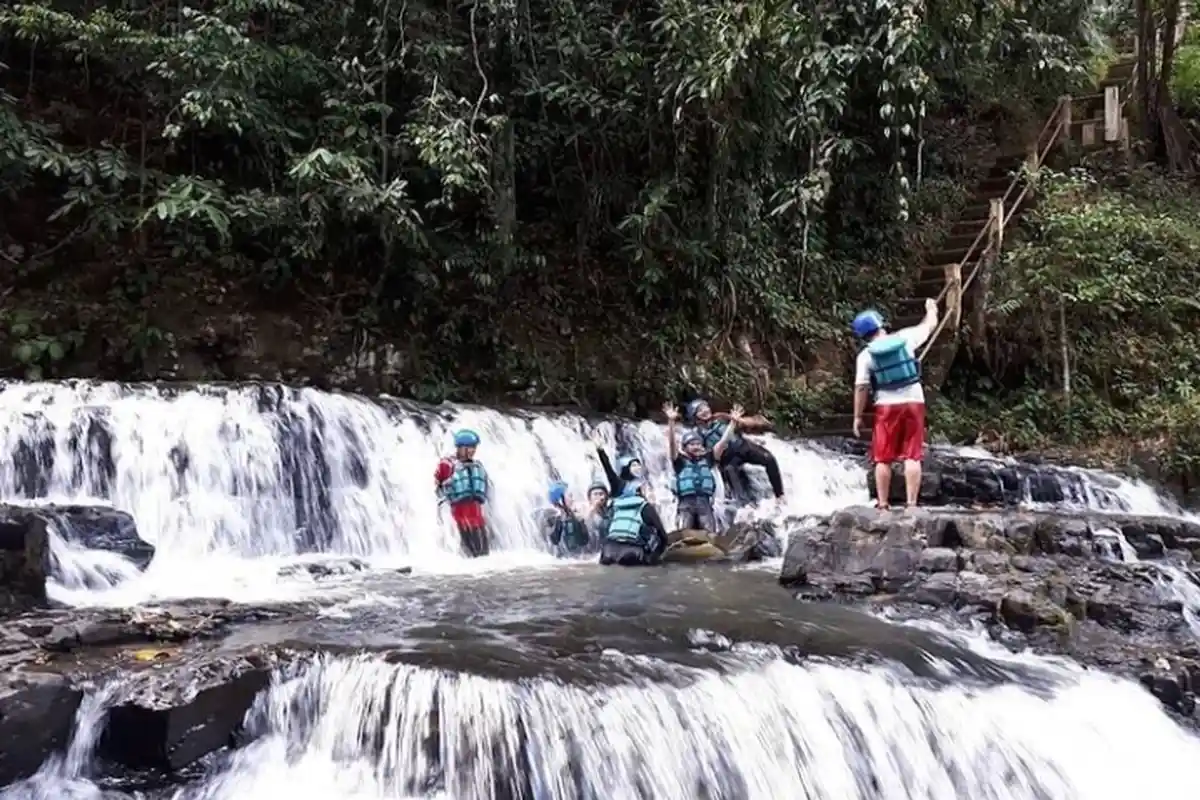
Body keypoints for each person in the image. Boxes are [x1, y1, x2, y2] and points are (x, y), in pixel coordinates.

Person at [851, 298, 939, 510]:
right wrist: (931, 309)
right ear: (881, 325)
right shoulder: (905, 338)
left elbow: (861, 388)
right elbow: (929, 325)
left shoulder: (865, 355)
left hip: (886, 405)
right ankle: (911, 503)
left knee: (883, 457)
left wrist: (857, 417)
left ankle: (882, 503)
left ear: (862, 335)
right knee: (912, 454)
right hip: (914, 401)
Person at [685, 398, 784, 506]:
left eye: (705, 407)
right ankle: (745, 510)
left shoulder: (720, 417)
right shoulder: (697, 434)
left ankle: (780, 496)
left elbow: (743, 422)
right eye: (700, 411)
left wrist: (752, 421)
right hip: (728, 460)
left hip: (742, 446)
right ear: (695, 417)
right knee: (735, 483)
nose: (705, 411)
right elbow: (701, 455)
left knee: (769, 458)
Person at [664, 401, 742, 532]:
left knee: (709, 533)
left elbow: (723, 442)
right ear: (685, 448)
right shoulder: (680, 461)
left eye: (698, 444)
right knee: (682, 532)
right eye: (691, 444)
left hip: (704, 502)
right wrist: (671, 422)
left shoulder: (708, 458)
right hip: (685, 503)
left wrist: (733, 423)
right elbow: (672, 444)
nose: (696, 446)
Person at [433, 428, 491, 557]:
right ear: (459, 448)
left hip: (477, 518)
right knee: (467, 555)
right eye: (469, 447)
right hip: (458, 517)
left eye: (474, 447)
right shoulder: (447, 464)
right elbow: (437, 486)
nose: (472, 451)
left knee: (483, 556)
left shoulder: (477, 465)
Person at [599, 481, 669, 566]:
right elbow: (662, 535)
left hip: (608, 551)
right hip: (632, 553)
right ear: (640, 492)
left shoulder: (615, 505)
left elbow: (606, 528)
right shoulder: (645, 506)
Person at [590, 429, 645, 498]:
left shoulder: (641, 484)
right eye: (634, 465)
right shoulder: (618, 483)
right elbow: (607, 467)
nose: (638, 467)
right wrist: (600, 450)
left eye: (638, 465)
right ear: (626, 468)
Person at [541, 481, 591, 556]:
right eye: (570, 496)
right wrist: (560, 519)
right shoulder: (550, 518)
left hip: (577, 557)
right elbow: (554, 540)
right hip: (560, 560)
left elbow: (585, 541)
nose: (573, 499)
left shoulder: (576, 516)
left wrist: (580, 521)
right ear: (560, 500)